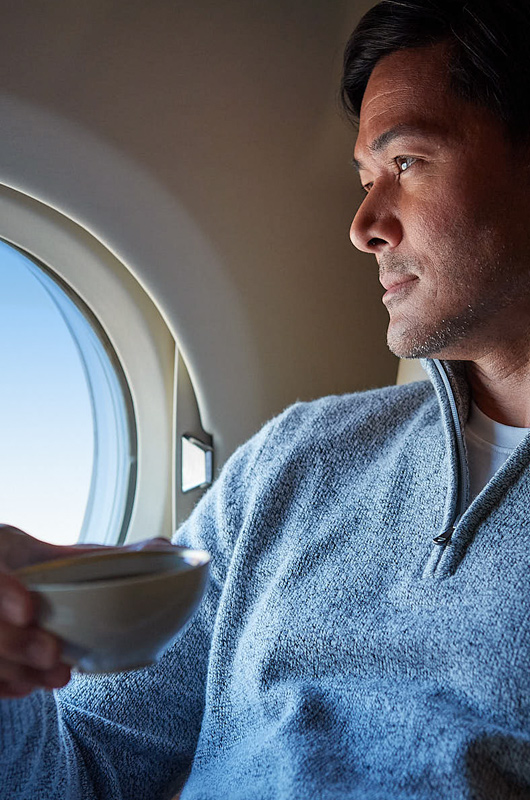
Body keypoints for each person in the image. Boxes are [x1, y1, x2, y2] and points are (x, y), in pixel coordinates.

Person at [2, 0, 530, 796]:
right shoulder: (296, 460)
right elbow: (84, 774)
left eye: (409, 164)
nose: (362, 224)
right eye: (363, 178)